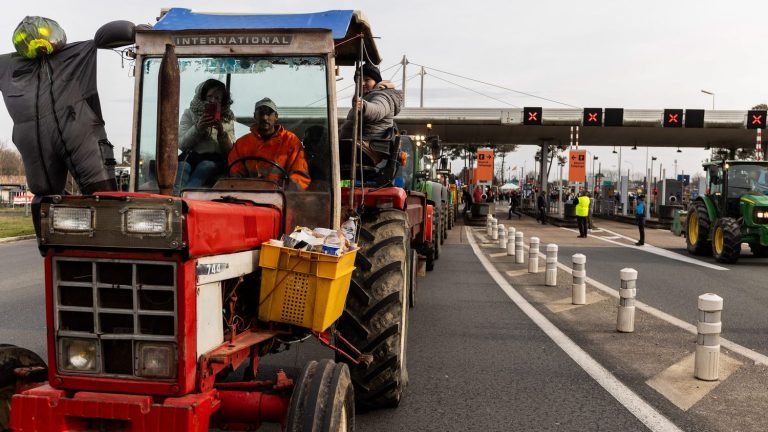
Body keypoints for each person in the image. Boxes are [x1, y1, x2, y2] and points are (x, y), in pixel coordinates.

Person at [228, 98, 310, 190]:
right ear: (255, 116)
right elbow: (235, 173)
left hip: (279, 196)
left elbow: (299, 176)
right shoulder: (241, 143)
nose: (265, 117)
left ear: (276, 116)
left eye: (269, 113)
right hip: (248, 194)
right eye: (261, 113)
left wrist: (286, 194)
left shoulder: (291, 141)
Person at [176, 79, 235, 191]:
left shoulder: (227, 118)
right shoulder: (189, 113)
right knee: (182, 167)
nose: (212, 101)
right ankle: (175, 196)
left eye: (217, 98)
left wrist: (222, 133)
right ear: (202, 96)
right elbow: (182, 144)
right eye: (209, 96)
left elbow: (231, 151)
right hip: (191, 156)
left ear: (222, 101)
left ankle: (187, 195)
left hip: (214, 159)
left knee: (205, 166)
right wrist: (198, 128)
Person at [340, 62, 403, 140]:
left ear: (376, 82)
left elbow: (378, 109)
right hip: (355, 143)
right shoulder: (365, 97)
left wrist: (364, 107)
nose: (362, 83)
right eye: (360, 80)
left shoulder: (383, 96)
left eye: (367, 79)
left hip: (368, 146)